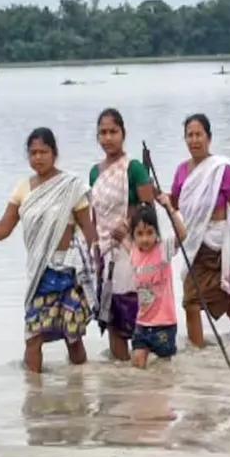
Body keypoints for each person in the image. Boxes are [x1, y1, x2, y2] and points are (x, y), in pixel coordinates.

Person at [0, 128, 97, 373]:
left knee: (72, 337)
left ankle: (79, 390)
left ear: (54, 153)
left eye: (44, 152)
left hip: (69, 272)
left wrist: (94, 266)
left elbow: (88, 231)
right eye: (33, 153)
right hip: (40, 274)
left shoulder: (70, 186)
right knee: (33, 336)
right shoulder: (22, 189)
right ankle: (33, 395)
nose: (38, 158)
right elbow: (3, 229)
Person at [169, 114, 230, 347]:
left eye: (199, 135)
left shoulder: (222, 169)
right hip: (193, 246)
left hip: (219, 246)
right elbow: (176, 203)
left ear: (209, 138)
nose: (194, 140)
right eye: (190, 135)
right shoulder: (181, 171)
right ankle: (197, 353)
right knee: (191, 303)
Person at [89, 108, 156, 361]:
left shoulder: (134, 168)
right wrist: (95, 251)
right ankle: (120, 371)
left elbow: (148, 208)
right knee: (112, 313)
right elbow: (95, 215)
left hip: (131, 249)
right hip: (106, 250)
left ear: (123, 134)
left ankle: (141, 377)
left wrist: (127, 224)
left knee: (136, 309)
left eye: (113, 132)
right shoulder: (95, 172)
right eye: (103, 133)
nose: (108, 138)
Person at [113, 199, 186, 369]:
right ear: (134, 235)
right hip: (142, 323)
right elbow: (117, 233)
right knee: (137, 365)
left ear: (157, 233)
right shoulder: (133, 251)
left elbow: (182, 234)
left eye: (149, 233)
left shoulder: (163, 249)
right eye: (139, 234)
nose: (145, 239)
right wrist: (122, 223)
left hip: (164, 324)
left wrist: (169, 208)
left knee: (164, 370)